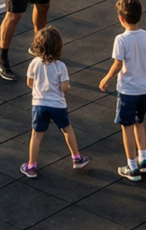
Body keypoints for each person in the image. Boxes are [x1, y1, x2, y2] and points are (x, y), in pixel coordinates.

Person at [99, 0, 146, 182]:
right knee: (140, 123)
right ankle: (144, 159)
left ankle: (132, 166)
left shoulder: (121, 39)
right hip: (143, 89)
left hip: (128, 91)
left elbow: (117, 64)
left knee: (127, 127)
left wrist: (106, 78)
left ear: (121, 19)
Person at [20, 26, 89, 178]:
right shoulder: (61, 66)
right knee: (67, 130)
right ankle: (76, 158)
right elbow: (65, 87)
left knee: (37, 135)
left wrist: (39, 90)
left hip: (39, 104)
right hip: (57, 105)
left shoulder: (34, 63)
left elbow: (29, 83)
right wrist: (65, 87)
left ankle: (31, 165)